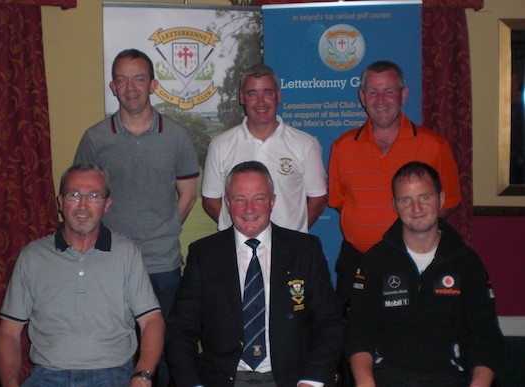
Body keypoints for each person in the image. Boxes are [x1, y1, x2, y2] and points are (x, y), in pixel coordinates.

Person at [74, 49, 199, 385]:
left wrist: (168, 228)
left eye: (139, 78)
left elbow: (188, 193)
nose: (131, 87)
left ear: (153, 84)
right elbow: (81, 198)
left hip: (163, 264)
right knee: (115, 346)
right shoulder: (95, 139)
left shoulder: (176, 136)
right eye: (122, 79)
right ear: (113, 86)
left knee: (165, 348)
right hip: (110, 262)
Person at [166, 161, 346, 386]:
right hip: (223, 379)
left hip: (293, 380)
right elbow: (180, 329)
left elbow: (330, 323)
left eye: (259, 198)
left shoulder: (304, 250)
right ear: (228, 203)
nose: (249, 209)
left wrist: (311, 380)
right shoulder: (204, 255)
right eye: (239, 199)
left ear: (272, 201)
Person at [0, 163, 164, 387]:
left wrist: (142, 376)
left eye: (94, 196)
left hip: (113, 375)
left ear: (107, 204)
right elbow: (8, 332)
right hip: (49, 375)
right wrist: (9, 382)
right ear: (61, 202)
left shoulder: (127, 253)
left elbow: (152, 321)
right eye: (74, 195)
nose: (83, 205)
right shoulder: (32, 257)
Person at [346, 161, 503, 387]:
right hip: (387, 379)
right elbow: (359, 334)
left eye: (425, 197)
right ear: (395, 205)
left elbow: (486, 336)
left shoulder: (467, 262)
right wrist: (366, 383)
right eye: (405, 200)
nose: (416, 208)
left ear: (440, 199)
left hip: (452, 379)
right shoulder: (375, 261)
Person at [328, 60, 462, 302]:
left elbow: (449, 201)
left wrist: (416, 233)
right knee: (354, 333)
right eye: (373, 92)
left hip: (417, 263)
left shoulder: (434, 146)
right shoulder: (342, 147)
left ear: (403, 94)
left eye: (389, 91)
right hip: (357, 261)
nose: (381, 100)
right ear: (362, 97)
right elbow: (339, 202)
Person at [202, 64, 327, 233]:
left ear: (278, 96)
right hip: (236, 251)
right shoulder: (220, 145)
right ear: (241, 98)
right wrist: (243, 232)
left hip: (289, 251)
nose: (260, 102)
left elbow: (318, 199)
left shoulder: (305, 144)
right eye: (252, 93)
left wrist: (291, 238)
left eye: (267, 93)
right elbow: (210, 200)